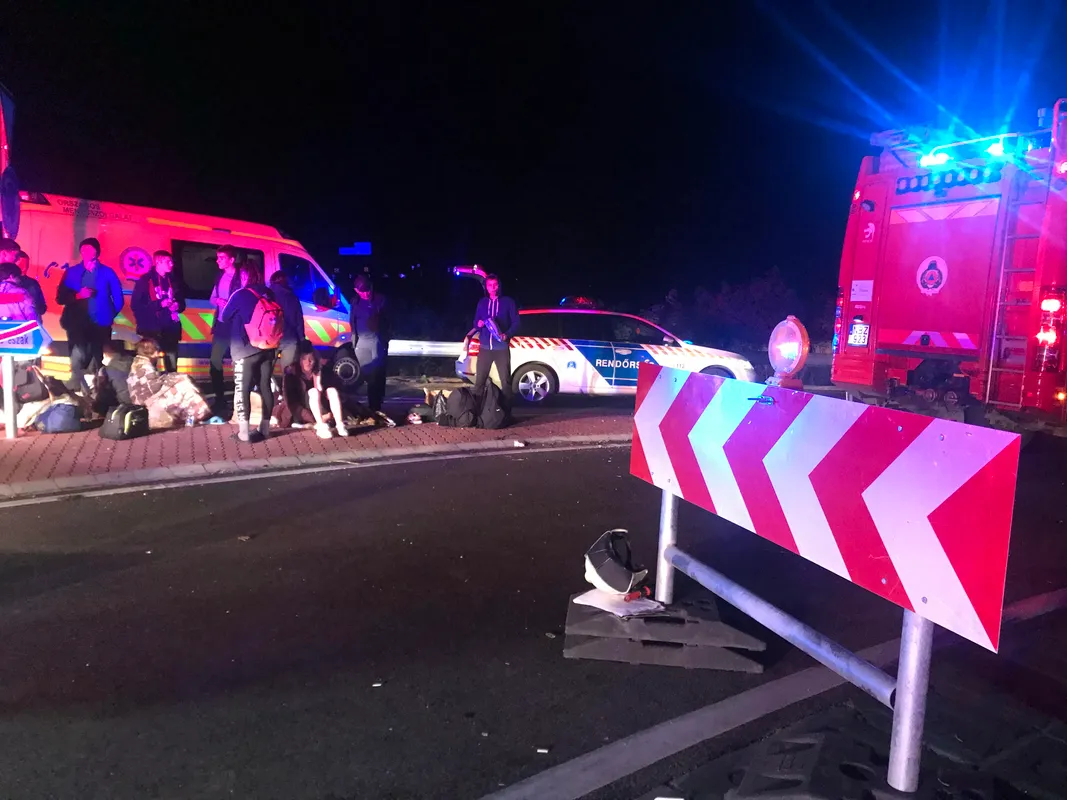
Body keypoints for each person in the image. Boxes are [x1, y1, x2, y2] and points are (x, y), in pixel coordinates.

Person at [56, 237, 124, 392]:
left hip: (100, 324)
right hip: (77, 324)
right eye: (83, 249)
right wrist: (78, 296)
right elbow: (60, 298)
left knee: (98, 358)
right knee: (78, 357)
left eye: (90, 249)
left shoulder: (107, 272)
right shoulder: (72, 272)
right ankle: (77, 390)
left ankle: (98, 391)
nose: (86, 252)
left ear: (97, 252)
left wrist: (110, 314)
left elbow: (118, 297)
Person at [220, 260, 277, 442]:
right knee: (265, 386)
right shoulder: (269, 293)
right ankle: (264, 429)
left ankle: (243, 433)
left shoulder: (240, 294)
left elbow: (224, 316)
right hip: (267, 347)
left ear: (244, 275)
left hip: (244, 348)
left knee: (242, 389)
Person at [127, 337, 210, 429]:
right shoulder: (143, 366)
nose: (158, 354)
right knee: (183, 386)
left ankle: (192, 415)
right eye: (156, 350)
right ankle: (195, 415)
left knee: (181, 383)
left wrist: (171, 378)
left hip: (145, 403)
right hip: (149, 406)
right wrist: (174, 378)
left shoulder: (138, 363)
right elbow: (153, 388)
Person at [276, 340, 349, 438]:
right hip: (304, 410)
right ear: (298, 360)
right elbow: (292, 403)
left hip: (323, 408)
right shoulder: (291, 374)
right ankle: (320, 426)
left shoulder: (321, 370)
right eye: (304, 359)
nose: (308, 362)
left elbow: (338, 388)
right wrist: (312, 419)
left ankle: (340, 425)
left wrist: (319, 380)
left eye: (311, 359)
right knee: (313, 392)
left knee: (332, 391)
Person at [131, 250, 185, 372]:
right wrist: (159, 304)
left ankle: (170, 383)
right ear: (158, 262)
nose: (171, 264)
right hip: (152, 329)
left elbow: (182, 303)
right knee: (150, 365)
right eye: (168, 261)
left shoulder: (174, 281)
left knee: (171, 364)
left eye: (171, 261)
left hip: (171, 329)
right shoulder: (145, 280)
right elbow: (136, 305)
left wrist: (177, 305)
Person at [472, 273, 519, 406]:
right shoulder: (482, 303)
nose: (492, 288)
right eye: (489, 285)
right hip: (485, 348)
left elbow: (516, 322)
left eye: (495, 285)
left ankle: (506, 411)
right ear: (486, 287)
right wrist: (479, 324)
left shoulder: (508, 302)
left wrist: (507, 334)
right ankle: (477, 410)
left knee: (506, 381)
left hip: (501, 349)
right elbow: (475, 322)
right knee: (479, 382)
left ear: (499, 286)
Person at [349, 274, 389, 413]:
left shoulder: (380, 300)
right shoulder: (355, 302)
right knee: (368, 375)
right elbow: (352, 322)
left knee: (377, 375)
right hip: (361, 343)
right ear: (356, 290)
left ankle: (375, 405)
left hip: (376, 341)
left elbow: (387, 321)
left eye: (367, 290)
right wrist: (354, 341)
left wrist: (385, 337)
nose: (366, 294)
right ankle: (372, 404)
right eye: (362, 291)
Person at [208, 245, 240, 416]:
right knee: (215, 362)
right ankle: (220, 400)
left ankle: (239, 400)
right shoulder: (219, 276)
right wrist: (218, 301)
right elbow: (212, 298)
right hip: (221, 325)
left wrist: (231, 305)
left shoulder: (241, 277)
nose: (218, 261)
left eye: (221, 258)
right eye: (218, 257)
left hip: (235, 327)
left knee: (238, 364)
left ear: (231, 260)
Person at [269, 271, 304, 372]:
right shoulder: (292, 297)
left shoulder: (267, 296)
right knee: (288, 373)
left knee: (266, 373)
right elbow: (298, 321)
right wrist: (302, 339)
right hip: (290, 338)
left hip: (270, 339)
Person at [91, 341, 133, 414]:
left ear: (106, 353)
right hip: (138, 404)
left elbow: (103, 394)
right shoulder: (134, 362)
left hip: (121, 407)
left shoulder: (106, 370)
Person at [14, 250, 47, 320]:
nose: (25, 268)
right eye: (21, 265)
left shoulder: (33, 283)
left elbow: (42, 308)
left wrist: (34, 305)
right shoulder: (5, 283)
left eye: (27, 265)